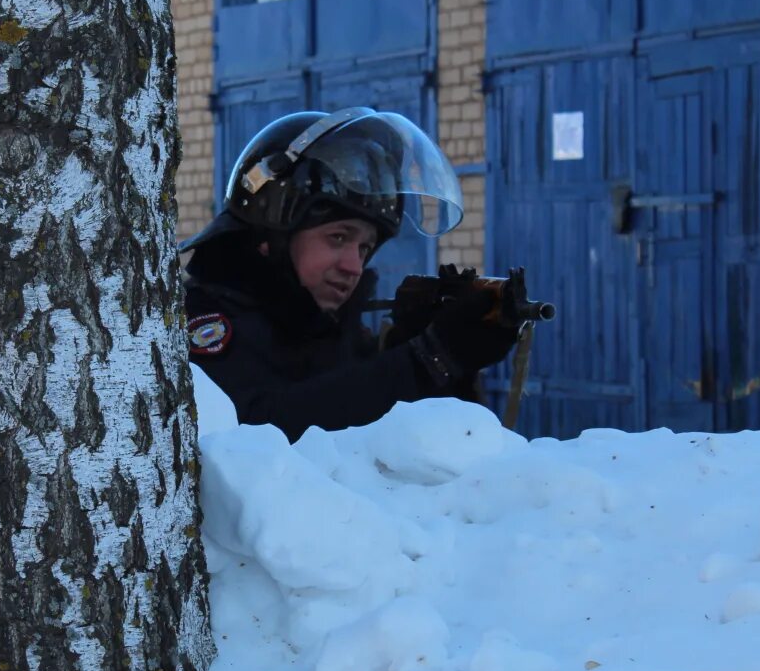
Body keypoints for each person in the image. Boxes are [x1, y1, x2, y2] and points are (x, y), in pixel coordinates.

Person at [183, 107, 520, 441]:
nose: (353, 266)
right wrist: (424, 360)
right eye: (338, 238)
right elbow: (257, 430)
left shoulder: (331, 330)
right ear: (270, 236)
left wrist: (447, 368)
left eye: (364, 248)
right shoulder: (209, 325)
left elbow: (424, 458)